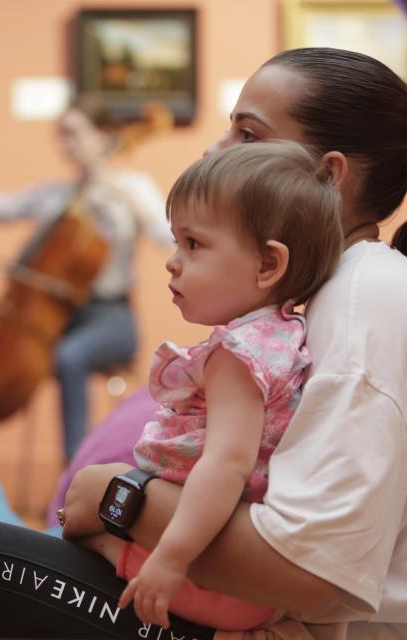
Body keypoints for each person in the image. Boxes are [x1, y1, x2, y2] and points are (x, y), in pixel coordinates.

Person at [0, 47, 407, 640]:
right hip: (233, 603)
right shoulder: (318, 295)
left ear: (331, 175)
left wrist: (118, 499)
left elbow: (312, 571)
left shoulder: (366, 298)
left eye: (246, 134)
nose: (214, 150)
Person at [113, 140, 343, 631]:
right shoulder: (278, 334)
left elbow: (227, 463)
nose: (172, 261)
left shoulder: (237, 356)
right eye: (175, 242)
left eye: (193, 244)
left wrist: (172, 558)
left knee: (85, 522)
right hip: (221, 573)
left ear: (267, 265)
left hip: (210, 578)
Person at [0, 102, 173, 462]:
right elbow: (1, 206)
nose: (64, 145)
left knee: (69, 357)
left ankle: (74, 471)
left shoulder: (132, 188)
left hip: (109, 316)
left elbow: (169, 236)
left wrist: (135, 205)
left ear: (104, 136)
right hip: (51, 317)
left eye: (73, 134)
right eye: (61, 135)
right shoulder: (56, 195)